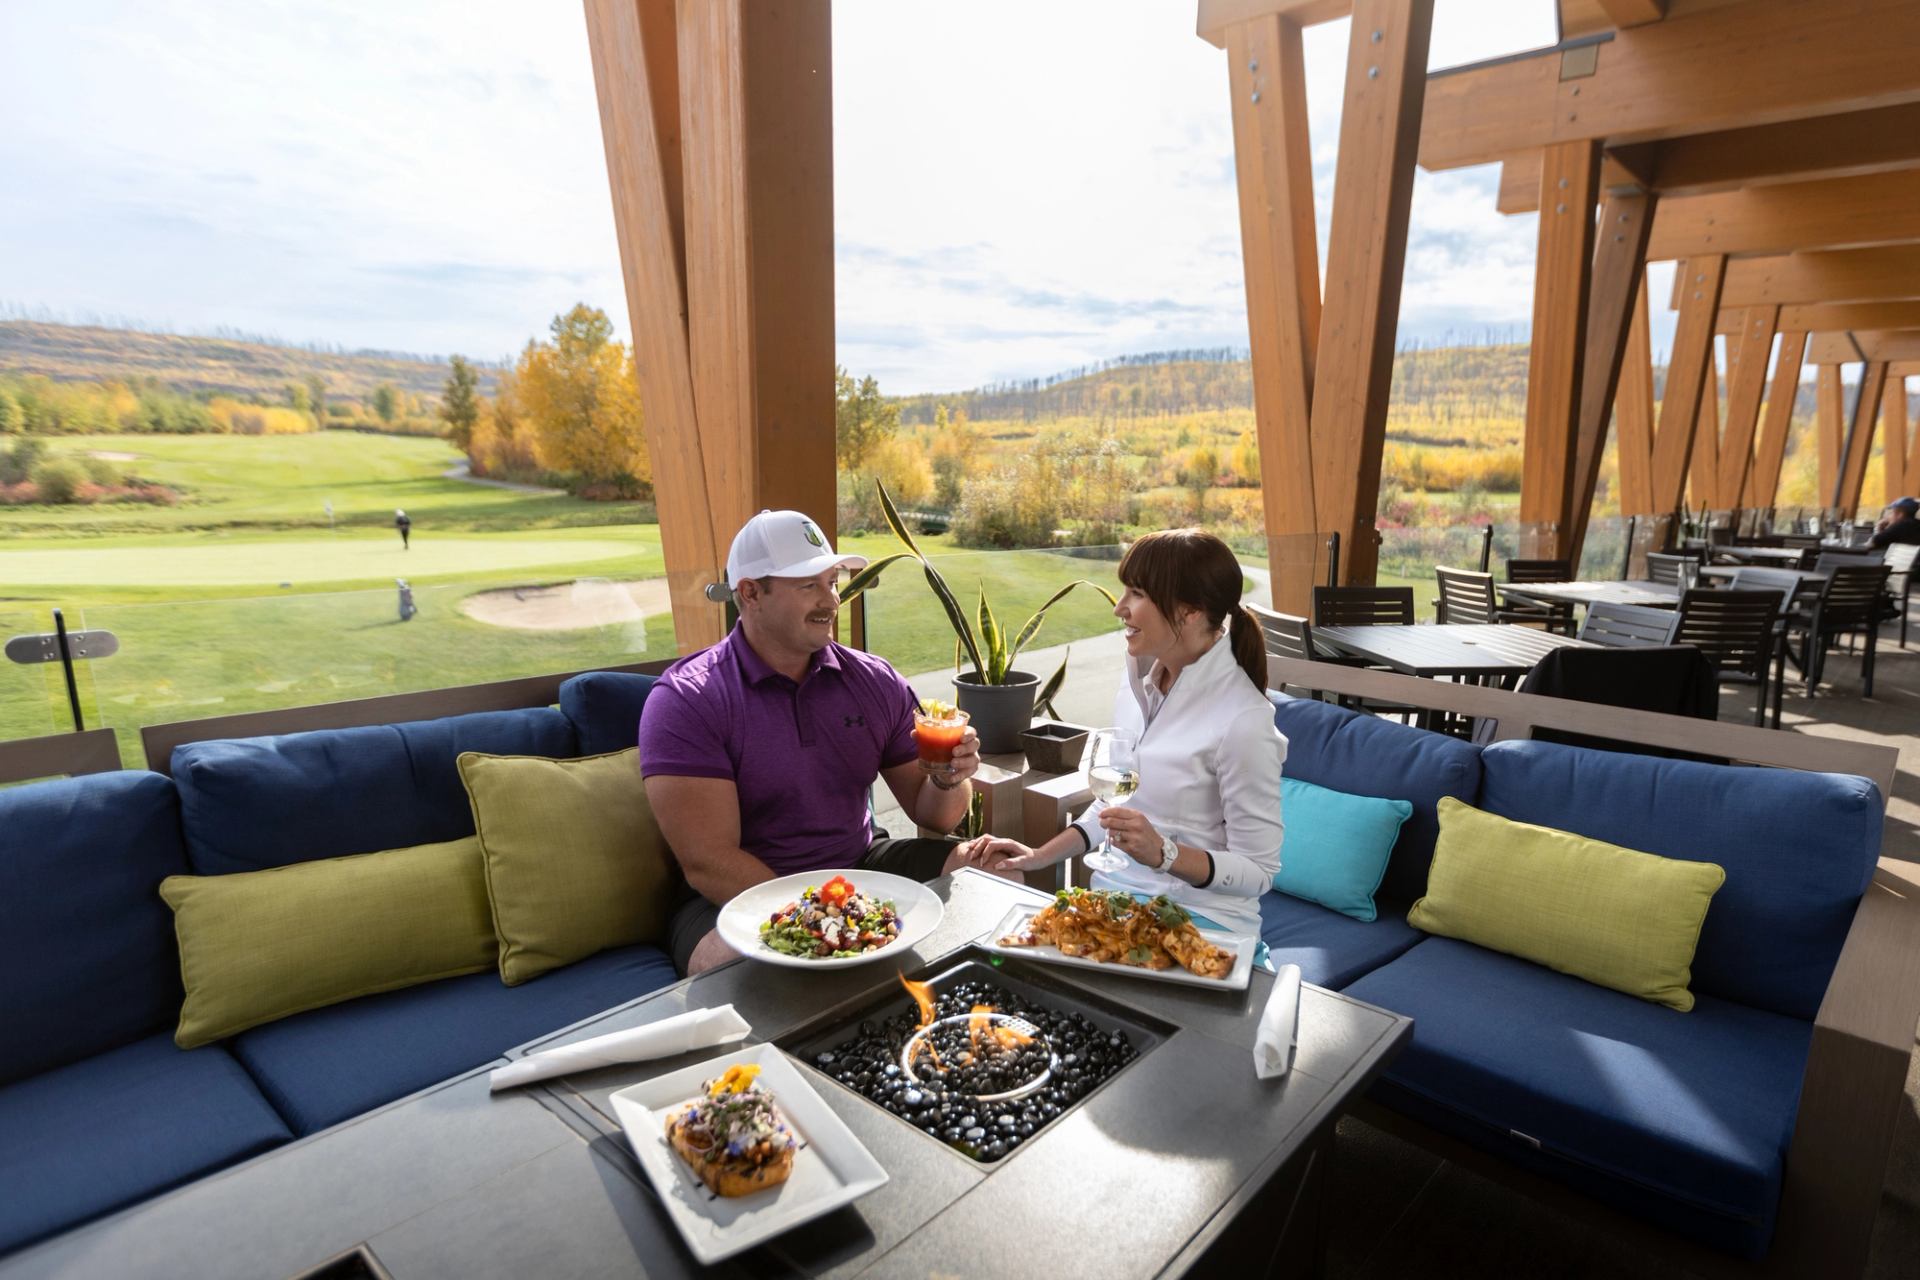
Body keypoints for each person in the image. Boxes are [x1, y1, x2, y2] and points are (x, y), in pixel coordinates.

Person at [641, 509, 993, 975]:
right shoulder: (689, 699)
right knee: (731, 962)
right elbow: (709, 862)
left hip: (859, 864)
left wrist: (949, 777)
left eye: (832, 581)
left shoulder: (873, 680)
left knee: (993, 869)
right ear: (750, 592)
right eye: (808, 585)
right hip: (734, 894)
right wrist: (825, 917)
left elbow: (935, 817)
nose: (831, 600)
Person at [959, 529, 1285, 940]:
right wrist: (1039, 856)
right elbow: (1111, 808)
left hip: (1201, 927)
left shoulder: (1243, 720)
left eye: (1136, 593)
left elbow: (1259, 872)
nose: (1119, 608)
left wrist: (1164, 855)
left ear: (1189, 611)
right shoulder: (1138, 681)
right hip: (1113, 907)